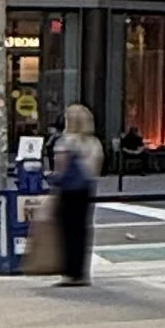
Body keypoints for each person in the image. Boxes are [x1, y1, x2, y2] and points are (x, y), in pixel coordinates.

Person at [48, 101, 103, 286]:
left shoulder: (66, 142)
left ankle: (69, 272)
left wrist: (51, 182)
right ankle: (82, 272)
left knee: (66, 232)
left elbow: (60, 170)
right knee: (82, 231)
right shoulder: (94, 143)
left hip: (68, 192)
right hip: (86, 191)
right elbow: (95, 170)